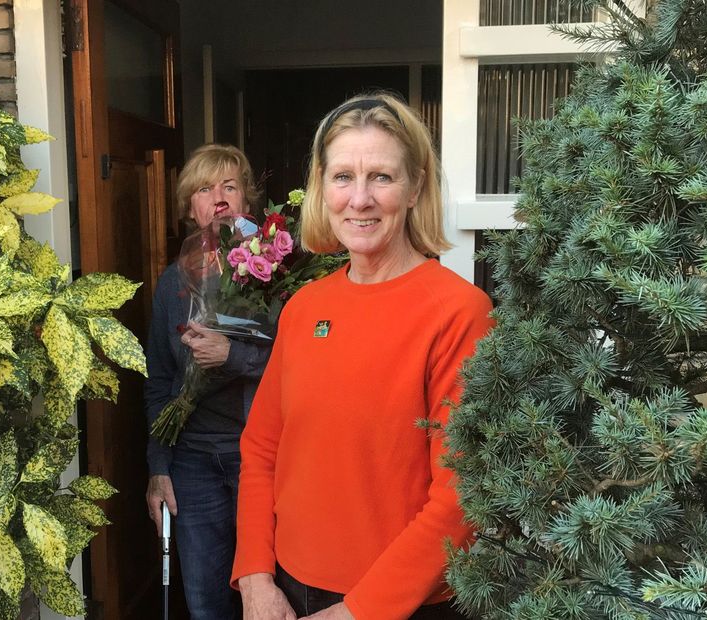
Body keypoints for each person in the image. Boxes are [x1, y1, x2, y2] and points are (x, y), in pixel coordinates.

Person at [231, 93, 494, 620]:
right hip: (285, 593)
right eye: (343, 176)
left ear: (416, 187)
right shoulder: (305, 307)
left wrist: (361, 611)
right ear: (321, 188)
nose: (360, 199)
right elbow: (262, 449)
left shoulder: (459, 312)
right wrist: (255, 576)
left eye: (382, 177)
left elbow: (464, 493)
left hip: (400, 604)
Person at [145, 144, 272, 620]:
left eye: (229, 186)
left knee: (263, 596)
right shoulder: (170, 284)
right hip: (193, 462)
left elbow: (300, 365)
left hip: (258, 458)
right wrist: (159, 468)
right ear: (189, 208)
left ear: (247, 202)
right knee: (204, 603)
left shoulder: (277, 274)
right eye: (203, 189)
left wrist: (232, 354)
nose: (217, 199)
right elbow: (160, 380)